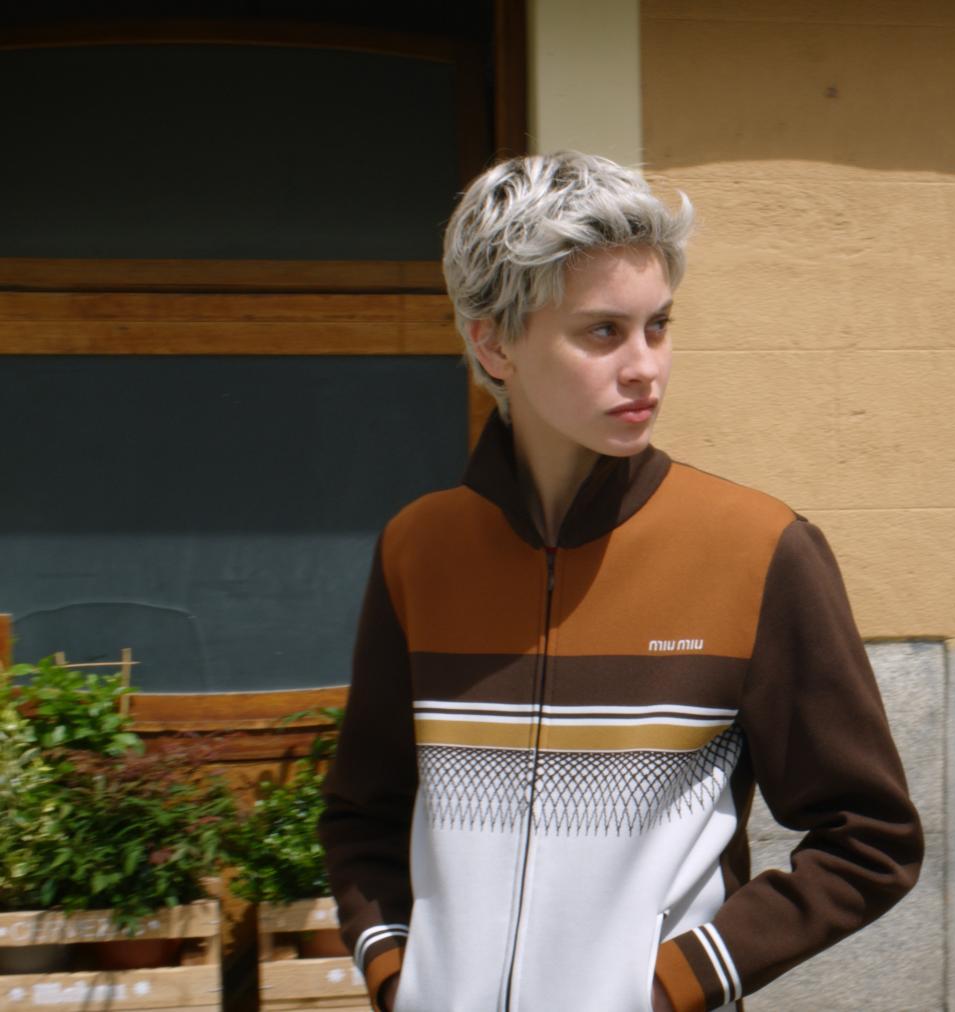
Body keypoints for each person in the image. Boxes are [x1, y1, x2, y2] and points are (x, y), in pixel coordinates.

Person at [319, 151, 922, 1011]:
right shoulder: (419, 550)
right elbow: (363, 818)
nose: (645, 366)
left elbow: (870, 839)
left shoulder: (758, 550)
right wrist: (396, 975)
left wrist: (672, 985)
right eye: (603, 331)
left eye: (658, 326)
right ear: (494, 343)